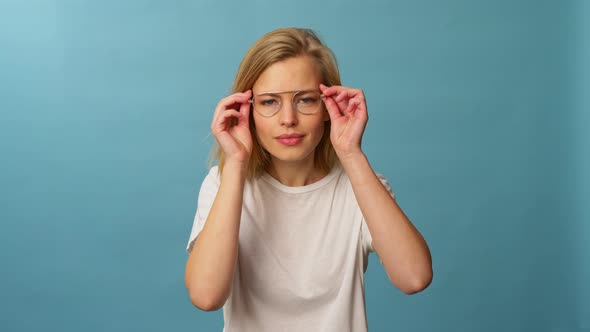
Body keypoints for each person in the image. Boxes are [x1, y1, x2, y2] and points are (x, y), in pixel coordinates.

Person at [184, 27, 432, 332]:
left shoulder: (362, 186)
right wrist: (236, 164)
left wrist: (351, 154)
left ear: (329, 107)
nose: (288, 119)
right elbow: (206, 296)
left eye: (305, 100)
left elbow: (414, 278)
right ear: (246, 110)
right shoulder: (224, 184)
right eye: (269, 102)